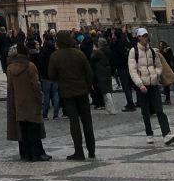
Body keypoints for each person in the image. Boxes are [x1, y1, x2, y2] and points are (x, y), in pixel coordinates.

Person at [47, 29, 95, 161]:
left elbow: (51, 75)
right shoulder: (79, 53)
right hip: (82, 91)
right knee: (87, 121)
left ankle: (79, 152)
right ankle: (91, 150)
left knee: (74, 122)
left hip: (67, 93)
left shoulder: (55, 56)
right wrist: (87, 86)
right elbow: (89, 73)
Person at [126, 27, 174, 146]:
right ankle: (149, 133)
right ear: (138, 37)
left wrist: (156, 75)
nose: (146, 38)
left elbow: (159, 66)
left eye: (146, 36)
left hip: (154, 84)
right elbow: (132, 70)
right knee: (145, 111)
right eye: (143, 36)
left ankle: (166, 134)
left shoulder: (153, 51)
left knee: (159, 110)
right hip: (142, 85)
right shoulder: (133, 51)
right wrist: (140, 84)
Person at [6, 42, 50, 162]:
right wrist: (39, 98)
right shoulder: (30, 66)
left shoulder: (10, 68)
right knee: (34, 129)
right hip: (31, 101)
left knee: (23, 130)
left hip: (18, 102)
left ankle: (26, 153)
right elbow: (36, 85)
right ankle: (37, 153)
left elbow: (10, 87)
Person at [109, 28, 136, 111]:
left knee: (126, 87)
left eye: (113, 34)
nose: (112, 35)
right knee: (132, 85)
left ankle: (130, 104)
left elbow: (115, 57)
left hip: (122, 68)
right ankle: (137, 102)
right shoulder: (126, 43)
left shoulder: (116, 45)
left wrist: (115, 68)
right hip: (130, 66)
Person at [38, 33, 60, 119]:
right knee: (55, 94)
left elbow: (40, 64)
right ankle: (56, 114)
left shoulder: (43, 50)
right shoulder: (55, 50)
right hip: (55, 75)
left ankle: (45, 114)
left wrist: (41, 74)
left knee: (46, 95)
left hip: (46, 76)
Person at [91, 37, 116, 114]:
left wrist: (94, 50)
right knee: (108, 89)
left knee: (105, 91)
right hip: (108, 69)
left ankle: (111, 108)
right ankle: (109, 108)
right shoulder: (108, 49)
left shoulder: (98, 52)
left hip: (101, 71)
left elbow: (92, 57)